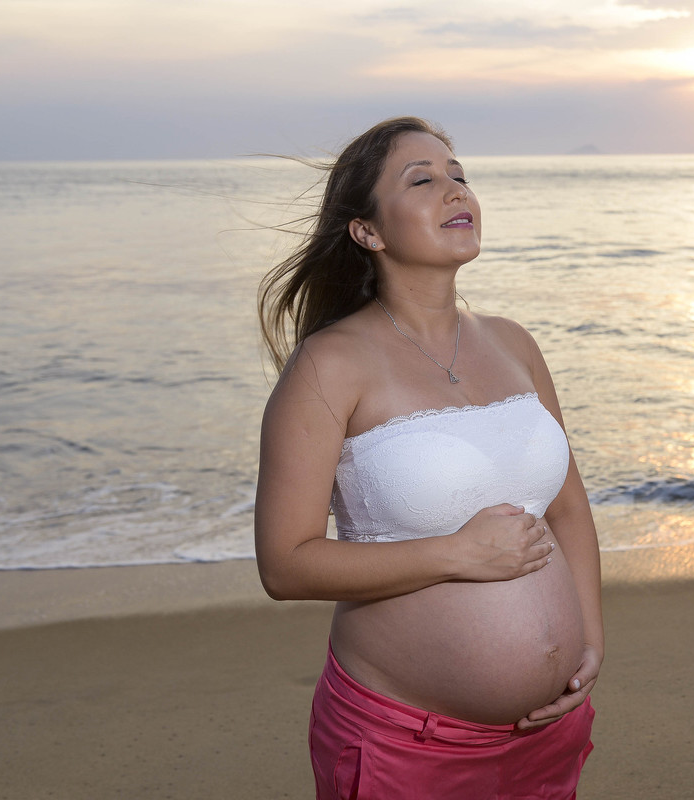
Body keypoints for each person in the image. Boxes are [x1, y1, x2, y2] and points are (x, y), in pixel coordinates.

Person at [254, 116, 603, 799]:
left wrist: (590, 640)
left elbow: (568, 507)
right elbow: (285, 563)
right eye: (422, 180)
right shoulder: (330, 365)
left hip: (549, 735)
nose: (455, 189)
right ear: (368, 231)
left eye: (459, 175)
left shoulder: (513, 342)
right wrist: (455, 554)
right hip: (405, 745)